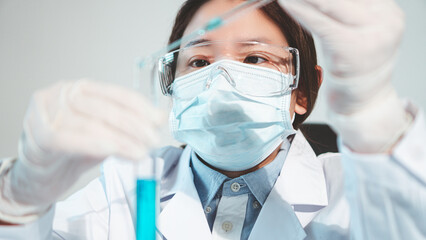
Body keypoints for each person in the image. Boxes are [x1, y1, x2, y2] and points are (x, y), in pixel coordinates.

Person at [0, 0, 425, 239]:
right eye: (199, 60)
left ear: (302, 91)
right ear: (171, 81)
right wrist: (18, 204)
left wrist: (376, 120)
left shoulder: (354, 195)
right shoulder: (125, 192)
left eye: (254, 57)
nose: (220, 82)